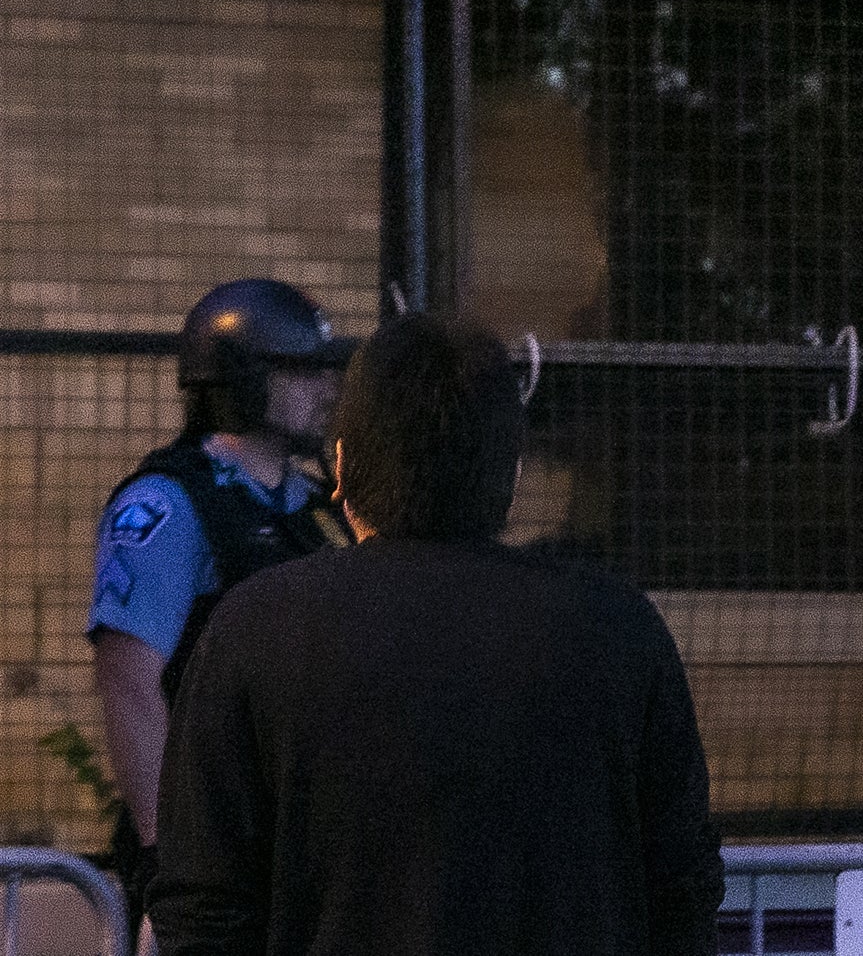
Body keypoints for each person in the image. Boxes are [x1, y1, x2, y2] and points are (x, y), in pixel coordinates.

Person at [148, 312, 724, 955]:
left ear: (342, 465)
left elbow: (203, 903)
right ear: (508, 474)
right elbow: (682, 888)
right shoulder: (617, 628)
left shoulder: (256, 630)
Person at [88, 279, 356, 936]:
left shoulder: (318, 511)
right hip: (207, 850)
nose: (327, 389)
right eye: (302, 370)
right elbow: (129, 680)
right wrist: (161, 853)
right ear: (237, 378)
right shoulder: (166, 506)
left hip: (299, 845)